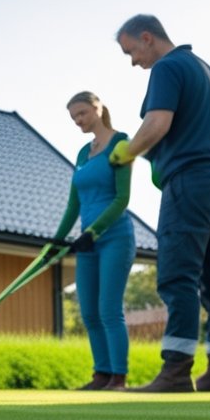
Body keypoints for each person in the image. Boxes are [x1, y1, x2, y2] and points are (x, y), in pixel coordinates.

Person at [108, 15, 210, 392]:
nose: (133, 61)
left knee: (177, 274)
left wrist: (126, 153)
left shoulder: (167, 68)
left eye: (131, 51)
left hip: (189, 183)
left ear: (147, 38)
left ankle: (176, 372)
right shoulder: (208, 72)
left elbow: (157, 125)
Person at [50, 91, 135, 390]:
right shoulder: (82, 154)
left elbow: (122, 199)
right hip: (87, 242)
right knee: (88, 311)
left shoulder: (121, 143)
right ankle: (100, 374)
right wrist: (56, 241)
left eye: (82, 114)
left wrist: (93, 233)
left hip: (115, 237)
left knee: (109, 308)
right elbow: (74, 205)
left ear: (98, 109)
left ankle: (118, 377)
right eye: (74, 117)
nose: (78, 121)